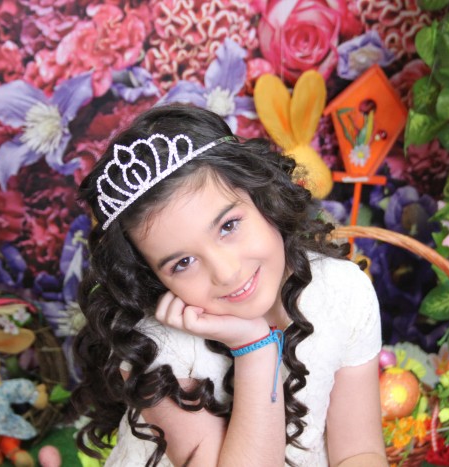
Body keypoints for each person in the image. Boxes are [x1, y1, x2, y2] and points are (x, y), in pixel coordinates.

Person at [72, 103, 387, 466]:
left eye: (228, 226)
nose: (226, 272)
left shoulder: (340, 291)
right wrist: (254, 348)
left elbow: (359, 451)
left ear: (262, 196)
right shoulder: (156, 349)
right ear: (150, 276)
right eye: (183, 263)